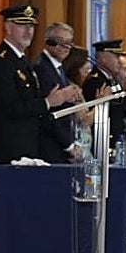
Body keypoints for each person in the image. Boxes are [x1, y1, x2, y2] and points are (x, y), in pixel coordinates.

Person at [0, 4, 80, 165]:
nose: (28, 31)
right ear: (8, 27)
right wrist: (48, 102)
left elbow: (32, 101)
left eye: (31, 26)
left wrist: (57, 99)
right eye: (22, 25)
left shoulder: (23, 61)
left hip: (29, 148)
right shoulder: (0, 62)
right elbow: (10, 108)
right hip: (11, 149)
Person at [32, 21, 80, 164]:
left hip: (60, 145)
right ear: (48, 41)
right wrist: (69, 145)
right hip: (50, 146)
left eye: (69, 42)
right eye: (60, 41)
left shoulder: (58, 67)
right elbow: (50, 114)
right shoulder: (42, 68)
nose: (65, 47)